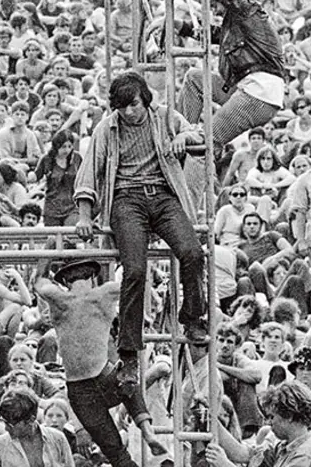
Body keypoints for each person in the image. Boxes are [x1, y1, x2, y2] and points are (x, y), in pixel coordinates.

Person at [73, 72, 207, 390]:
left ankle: (192, 318)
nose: (129, 112)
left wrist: (184, 139)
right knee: (134, 269)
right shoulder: (108, 128)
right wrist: (84, 215)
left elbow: (197, 134)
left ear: (144, 99)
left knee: (192, 252)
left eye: (133, 105)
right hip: (126, 199)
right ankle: (130, 352)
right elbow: (90, 169)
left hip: (162, 195)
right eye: (122, 107)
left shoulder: (163, 117)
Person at [34, 258, 167, 467]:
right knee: (127, 382)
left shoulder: (60, 300)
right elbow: (138, 282)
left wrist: (48, 255)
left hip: (80, 385)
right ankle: (147, 429)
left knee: (117, 453)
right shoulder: (103, 294)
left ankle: (148, 431)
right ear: (92, 278)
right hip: (100, 375)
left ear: (66, 282)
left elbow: (39, 282)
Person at [178, 0, 286, 155]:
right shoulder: (237, 23)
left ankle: (191, 177)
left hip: (259, 93)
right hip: (248, 88)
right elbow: (216, 35)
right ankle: (179, 131)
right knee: (194, 79)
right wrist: (181, 27)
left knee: (205, 143)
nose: (210, 5)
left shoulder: (248, 10)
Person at [209, 380, 311, 467]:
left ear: (289, 416)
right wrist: (211, 418)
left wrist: (225, 465)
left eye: (272, 417)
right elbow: (243, 454)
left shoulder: (304, 454)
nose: (268, 423)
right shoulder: (284, 446)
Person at [0, 388, 74, 467]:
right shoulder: (1, 444)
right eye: (5, 422)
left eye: (11, 425)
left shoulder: (57, 438)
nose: (6, 428)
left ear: (31, 420)